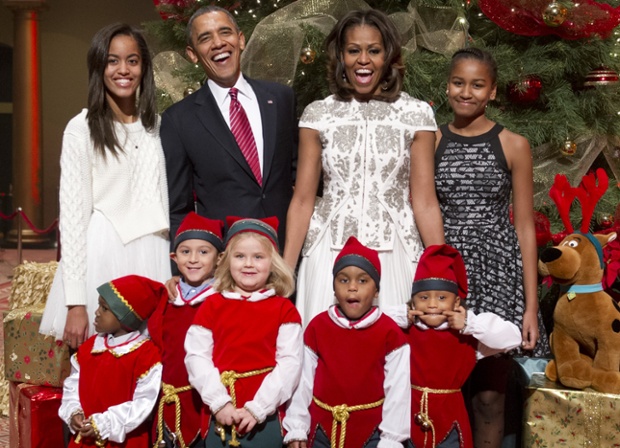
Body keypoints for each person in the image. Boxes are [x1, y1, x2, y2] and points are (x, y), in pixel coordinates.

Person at [284, 9, 444, 324]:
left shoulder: (415, 114)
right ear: (341, 56)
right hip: (328, 250)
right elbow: (303, 199)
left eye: (374, 50)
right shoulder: (319, 114)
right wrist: (285, 271)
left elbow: (424, 200)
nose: (363, 60)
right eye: (353, 50)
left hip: (395, 252)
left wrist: (440, 269)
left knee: (392, 357)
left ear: (388, 56)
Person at [434, 47, 547, 447]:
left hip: (498, 277)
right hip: (446, 277)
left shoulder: (514, 144)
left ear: (493, 91)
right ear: (447, 86)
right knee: (441, 390)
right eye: (459, 82)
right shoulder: (431, 142)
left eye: (477, 84)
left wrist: (529, 307)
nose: (467, 92)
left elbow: (524, 228)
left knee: (488, 397)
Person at [40, 23, 171, 349]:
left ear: (144, 68)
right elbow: (71, 220)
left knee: (150, 362)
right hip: (105, 252)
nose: (123, 70)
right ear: (99, 66)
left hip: (153, 253)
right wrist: (75, 303)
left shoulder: (156, 126)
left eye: (133, 60)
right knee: (100, 363)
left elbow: (164, 198)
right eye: (113, 61)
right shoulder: (80, 129)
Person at [161, 5, 298, 251]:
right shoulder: (179, 119)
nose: (218, 43)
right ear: (192, 54)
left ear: (241, 39)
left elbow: (298, 177)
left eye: (225, 32)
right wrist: (183, 271)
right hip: (224, 261)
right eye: (205, 38)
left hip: (285, 254)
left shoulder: (281, 98)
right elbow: (178, 209)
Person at [384, 244, 521, 448]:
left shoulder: (468, 337)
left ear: (456, 302)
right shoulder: (403, 332)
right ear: (412, 303)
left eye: (442, 298)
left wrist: (469, 323)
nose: (432, 304)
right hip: (407, 419)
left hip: (451, 425)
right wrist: (400, 315)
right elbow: (371, 321)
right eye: (423, 297)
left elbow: (513, 338)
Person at [184, 216, 303, 447]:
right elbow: (196, 357)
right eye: (240, 257)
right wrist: (219, 402)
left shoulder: (284, 309)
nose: (248, 264)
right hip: (220, 415)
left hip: (265, 417)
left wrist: (258, 408)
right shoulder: (211, 306)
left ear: (273, 263)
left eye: (258, 257)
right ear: (227, 261)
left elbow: (290, 364)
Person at [283, 236, 411, 448]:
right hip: (322, 431)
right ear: (334, 288)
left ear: (376, 290)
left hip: (372, 435)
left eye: (363, 280)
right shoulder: (317, 327)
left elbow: (398, 390)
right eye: (343, 280)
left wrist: (392, 439)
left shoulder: (390, 333)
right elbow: (302, 380)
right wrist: (296, 427)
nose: (352, 287)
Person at [59, 275, 165, 447]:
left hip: (124, 441)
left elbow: (143, 402)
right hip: (86, 438)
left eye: (105, 308)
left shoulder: (146, 355)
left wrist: (104, 423)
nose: (97, 312)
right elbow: (73, 386)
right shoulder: (88, 348)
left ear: (125, 317)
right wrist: (73, 412)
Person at [148, 212, 224, 448]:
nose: (193, 259)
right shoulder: (166, 298)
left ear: (219, 258)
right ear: (174, 257)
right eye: (185, 252)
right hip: (166, 400)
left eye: (203, 252)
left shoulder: (221, 300)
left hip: (203, 403)